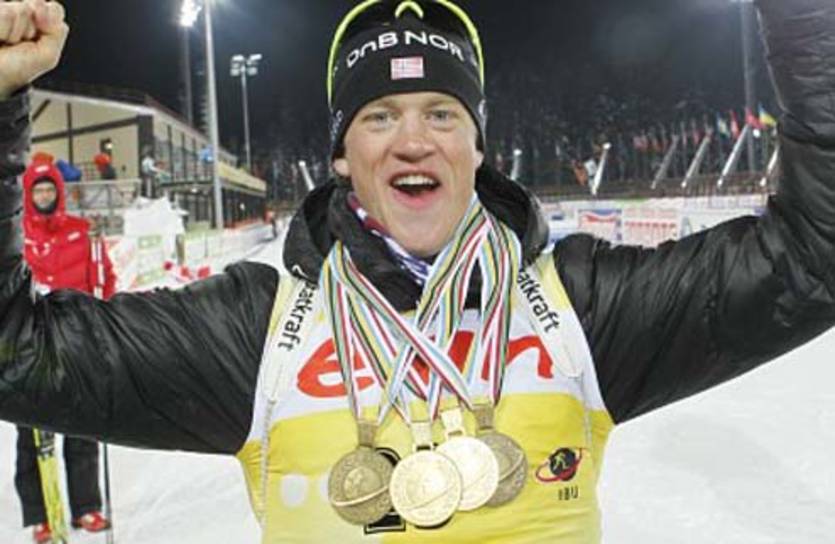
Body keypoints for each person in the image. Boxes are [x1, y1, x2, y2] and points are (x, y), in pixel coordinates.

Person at [0, 0, 833, 543]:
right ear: (341, 155)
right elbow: (16, 357)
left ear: (475, 146)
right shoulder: (254, 331)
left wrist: (802, 21)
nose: (411, 140)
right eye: (378, 115)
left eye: (440, 112)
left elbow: (812, 261)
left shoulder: (579, 305)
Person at [16, 156, 115, 542]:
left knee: (82, 428)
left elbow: (104, 280)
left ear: (59, 192)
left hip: (76, 342)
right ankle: (41, 515)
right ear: (29, 194)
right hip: (32, 346)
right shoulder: (17, 236)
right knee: (32, 436)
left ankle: (86, 507)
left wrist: (103, 314)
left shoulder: (81, 231)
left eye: (49, 189)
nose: (43, 196)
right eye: (37, 190)